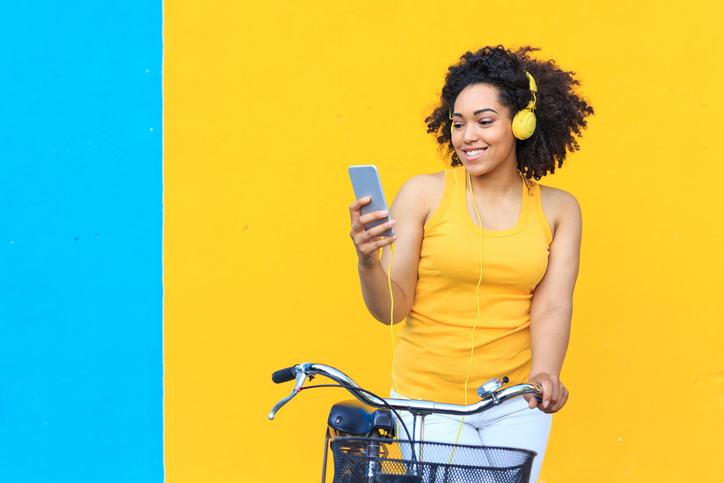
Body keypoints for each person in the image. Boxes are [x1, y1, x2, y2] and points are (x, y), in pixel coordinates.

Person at [348, 45, 593, 481]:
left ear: (522, 122)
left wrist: (545, 374)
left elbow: (553, 303)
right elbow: (392, 309)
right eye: (458, 124)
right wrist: (368, 262)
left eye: (484, 121)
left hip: (515, 401)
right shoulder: (423, 194)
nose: (467, 137)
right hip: (427, 403)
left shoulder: (560, 210)